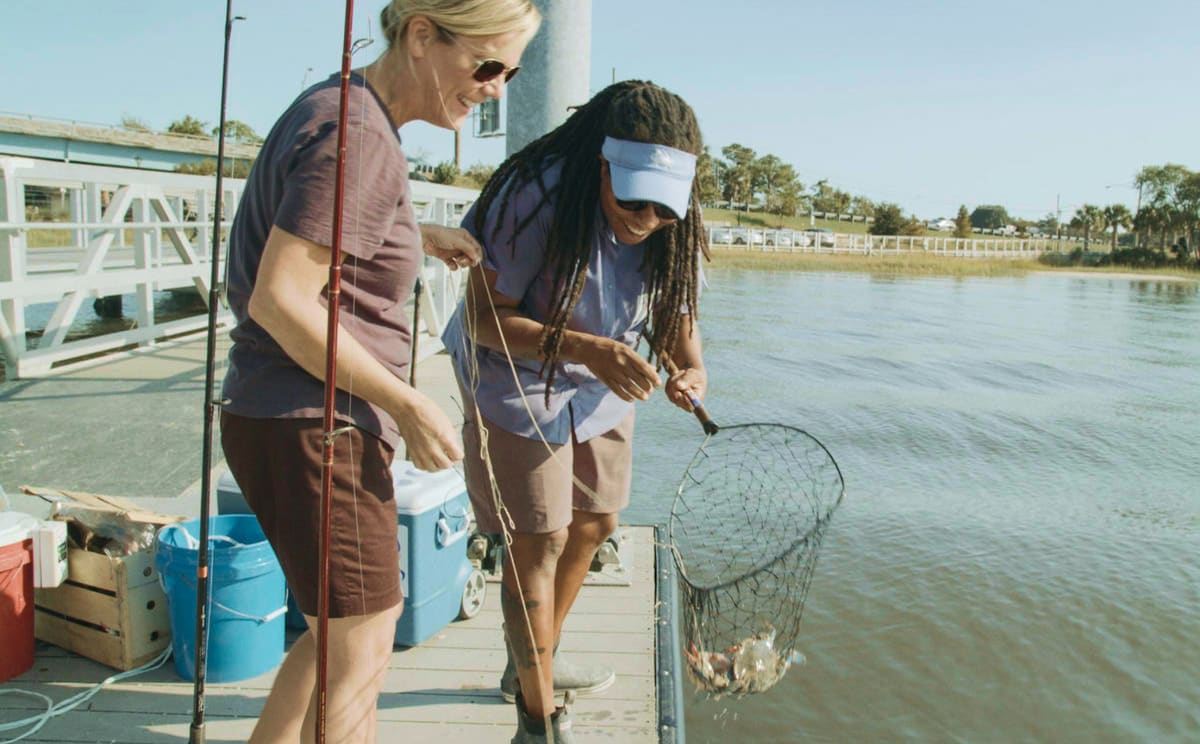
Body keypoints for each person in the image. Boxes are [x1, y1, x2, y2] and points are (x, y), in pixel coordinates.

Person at [218, 2, 540, 742]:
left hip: (276, 415)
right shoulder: (360, 137)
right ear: (422, 35)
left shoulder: (341, 109)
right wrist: (412, 404)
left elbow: (316, 230)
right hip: (316, 425)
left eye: (511, 71)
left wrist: (410, 232)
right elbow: (282, 298)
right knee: (362, 644)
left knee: (340, 629)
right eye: (486, 65)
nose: (495, 86)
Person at [442, 80, 710, 744]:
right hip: (515, 368)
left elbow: (678, 317)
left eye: (663, 208)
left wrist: (692, 368)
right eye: (632, 198)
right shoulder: (534, 196)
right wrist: (589, 348)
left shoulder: (673, 222)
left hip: (601, 377)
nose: (645, 218)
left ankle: (534, 657)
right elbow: (483, 317)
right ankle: (537, 719)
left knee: (594, 523)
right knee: (538, 540)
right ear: (602, 165)